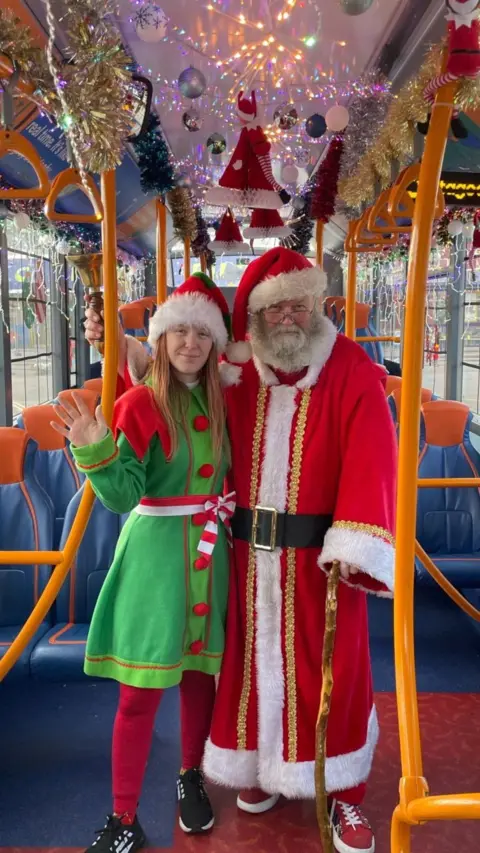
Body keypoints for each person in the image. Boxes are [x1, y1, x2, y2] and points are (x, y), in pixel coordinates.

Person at [85, 248, 397, 853]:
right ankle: (258, 770)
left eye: (299, 303)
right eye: (273, 305)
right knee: (246, 672)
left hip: (319, 562)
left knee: (334, 672)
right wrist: (129, 369)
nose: (288, 315)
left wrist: (354, 545)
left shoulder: (352, 370)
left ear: (317, 305)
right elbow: (167, 394)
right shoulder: (236, 377)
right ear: (251, 318)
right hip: (241, 559)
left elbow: (373, 457)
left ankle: (344, 797)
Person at [60, 273, 233, 853]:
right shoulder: (139, 402)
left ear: (216, 343)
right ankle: (123, 817)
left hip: (212, 556)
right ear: (160, 338)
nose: (190, 343)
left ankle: (191, 777)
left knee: (197, 676)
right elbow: (123, 495)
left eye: (202, 333)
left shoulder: (226, 398)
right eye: (178, 330)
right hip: (156, 561)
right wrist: (95, 447)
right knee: (138, 693)